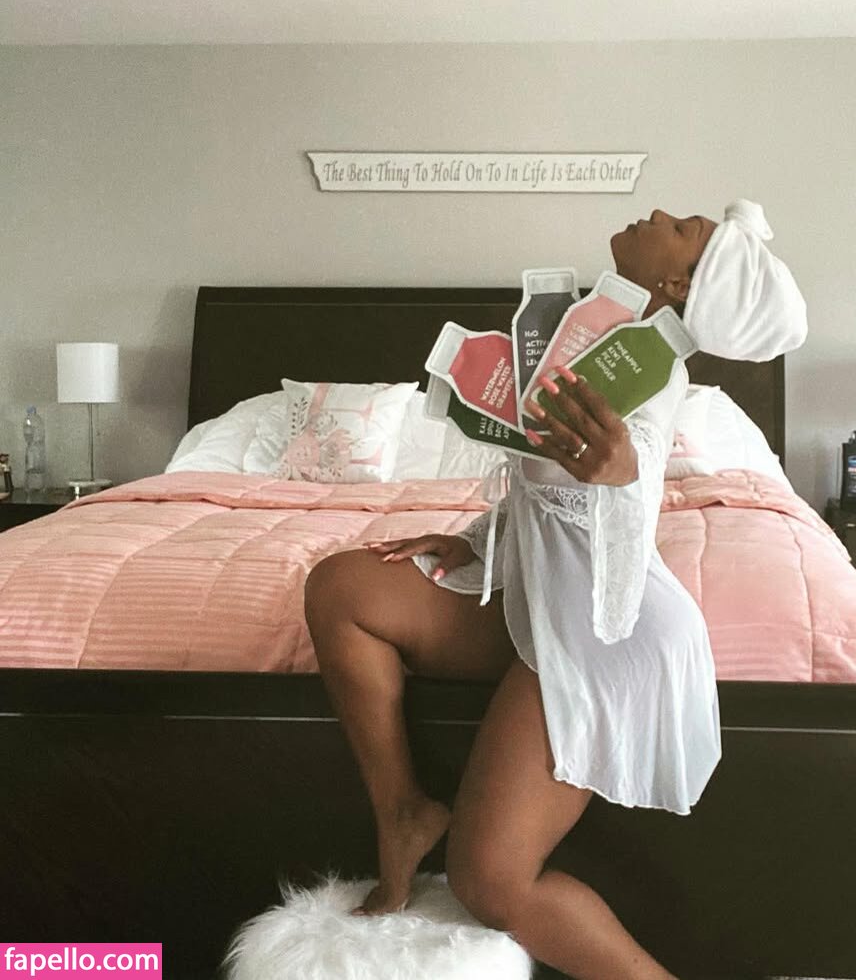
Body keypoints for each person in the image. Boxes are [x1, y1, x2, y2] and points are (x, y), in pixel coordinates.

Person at [304, 202, 807, 980]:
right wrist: (475, 543)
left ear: (677, 283)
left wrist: (620, 473)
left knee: (488, 882)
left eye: (682, 226)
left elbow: (630, 492)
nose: (660, 212)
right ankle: (402, 811)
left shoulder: (651, 374)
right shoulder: (585, 332)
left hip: (608, 631)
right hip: (540, 598)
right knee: (341, 588)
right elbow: (543, 495)